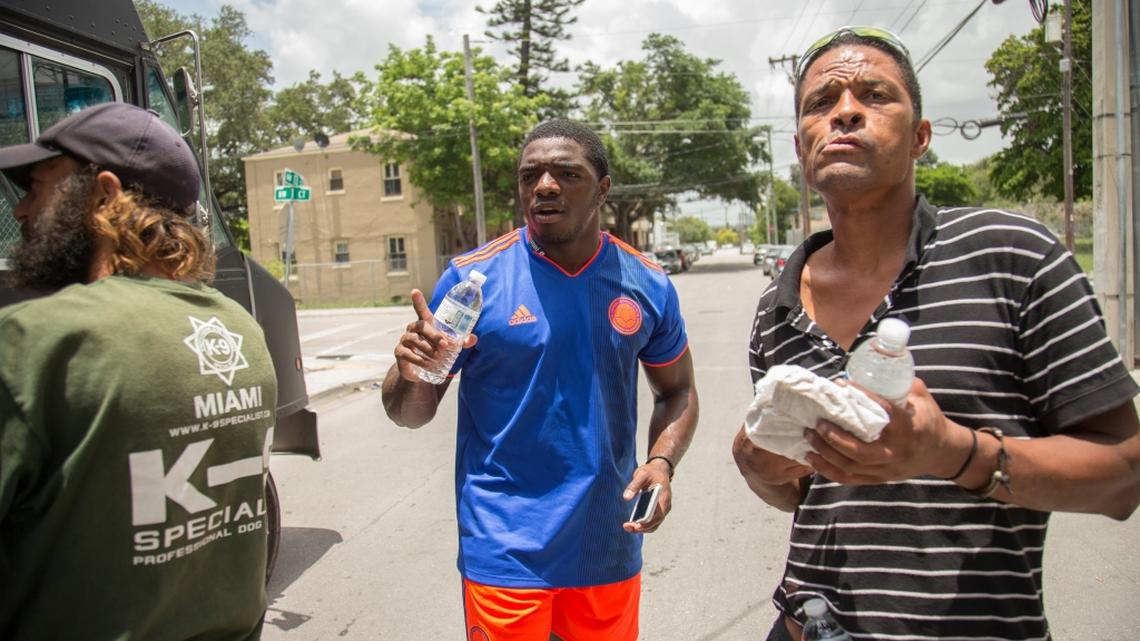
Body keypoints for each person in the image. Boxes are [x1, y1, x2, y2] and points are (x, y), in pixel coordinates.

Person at [732, 26, 1140, 641]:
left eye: (874, 95)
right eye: (821, 103)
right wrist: (760, 468)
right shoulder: (776, 307)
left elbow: (1125, 476)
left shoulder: (1014, 257)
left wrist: (952, 451)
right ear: (800, 146)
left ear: (921, 136)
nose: (844, 112)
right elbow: (806, 494)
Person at [382, 119, 698, 641]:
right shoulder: (471, 282)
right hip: (504, 546)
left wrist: (661, 463)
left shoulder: (647, 283)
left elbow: (677, 390)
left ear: (602, 190)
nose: (544, 186)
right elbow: (409, 412)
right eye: (531, 176)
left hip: (606, 543)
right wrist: (411, 370)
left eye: (566, 173)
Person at [0, 103, 277, 640]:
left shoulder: (36, 338)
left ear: (104, 196)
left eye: (38, 186)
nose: (22, 210)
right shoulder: (240, 327)